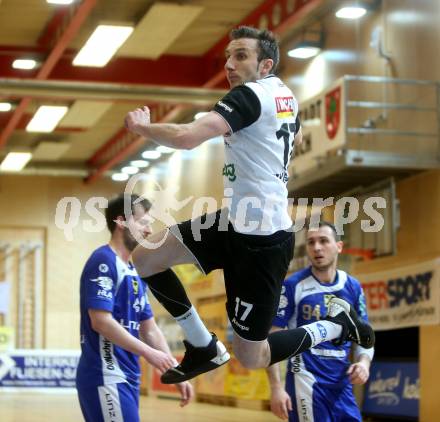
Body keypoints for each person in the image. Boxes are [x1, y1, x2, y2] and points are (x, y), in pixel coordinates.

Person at [124, 25, 375, 385]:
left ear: (265, 64)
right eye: (228, 55)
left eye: (240, 55)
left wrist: (144, 129)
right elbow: (298, 134)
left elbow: (188, 136)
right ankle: (201, 345)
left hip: (262, 245)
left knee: (252, 355)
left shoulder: (249, 96)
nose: (229, 64)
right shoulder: (282, 94)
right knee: (146, 256)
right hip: (233, 221)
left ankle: (334, 327)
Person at [76, 194, 193, 422]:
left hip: (128, 376)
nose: (149, 231)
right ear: (121, 222)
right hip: (106, 375)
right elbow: (100, 321)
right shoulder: (103, 261)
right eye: (143, 223)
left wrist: (174, 371)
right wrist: (149, 354)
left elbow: (149, 329)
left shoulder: (135, 271)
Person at [267, 222, 374, 422]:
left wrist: (364, 363)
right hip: (305, 383)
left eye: (323, 241)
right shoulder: (293, 286)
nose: (317, 247)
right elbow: (272, 341)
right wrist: (276, 388)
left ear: (339, 246)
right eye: (311, 242)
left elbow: (364, 335)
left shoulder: (352, 286)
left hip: (341, 385)